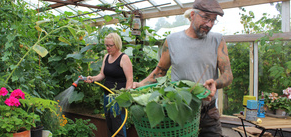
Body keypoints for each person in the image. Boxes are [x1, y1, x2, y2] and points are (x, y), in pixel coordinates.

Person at [132, 0, 233, 136]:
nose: (209, 24)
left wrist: (215, 83)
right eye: (205, 18)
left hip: (208, 114)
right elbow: (160, 72)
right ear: (192, 15)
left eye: (213, 20)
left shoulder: (217, 40)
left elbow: (227, 74)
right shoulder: (172, 41)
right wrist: (139, 85)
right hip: (181, 112)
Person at [84, 33, 133, 137]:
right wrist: (92, 78)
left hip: (118, 97)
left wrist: (126, 94)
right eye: (106, 45)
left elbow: (130, 79)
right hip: (107, 96)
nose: (108, 48)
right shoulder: (106, 57)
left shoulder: (124, 58)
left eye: (110, 45)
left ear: (117, 44)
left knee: (118, 125)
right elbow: (102, 75)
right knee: (110, 124)